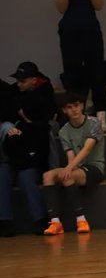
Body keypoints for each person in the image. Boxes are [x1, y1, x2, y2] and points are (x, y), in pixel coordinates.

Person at [53, 0, 106, 132]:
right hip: (69, 32)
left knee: (97, 71)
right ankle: (76, 117)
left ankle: (101, 117)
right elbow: (61, 8)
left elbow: (99, 5)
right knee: (72, 73)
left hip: (91, 31)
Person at [0, 63, 56, 236]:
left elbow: (38, 158)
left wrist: (16, 142)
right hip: (20, 160)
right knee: (3, 172)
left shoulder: (43, 130)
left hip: (31, 164)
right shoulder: (16, 128)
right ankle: (4, 220)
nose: (18, 84)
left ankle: (40, 219)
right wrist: (14, 139)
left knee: (25, 176)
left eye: (22, 81)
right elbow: (12, 153)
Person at [41, 93, 105, 235]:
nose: (74, 110)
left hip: (94, 167)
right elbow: (71, 155)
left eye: (76, 105)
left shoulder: (94, 123)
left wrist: (69, 168)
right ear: (64, 110)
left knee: (67, 176)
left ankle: (81, 220)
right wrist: (70, 167)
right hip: (77, 167)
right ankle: (55, 222)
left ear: (82, 106)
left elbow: (87, 149)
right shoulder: (64, 131)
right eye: (69, 107)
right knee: (47, 176)